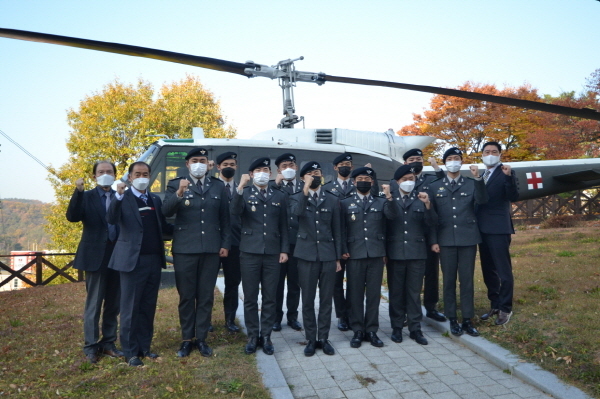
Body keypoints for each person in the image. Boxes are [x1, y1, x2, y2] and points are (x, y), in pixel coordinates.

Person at [162, 147, 231, 358]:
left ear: (207, 163)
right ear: (187, 164)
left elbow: (225, 220)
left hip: (210, 248)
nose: (199, 163)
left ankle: (201, 338)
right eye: (195, 160)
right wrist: (179, 193)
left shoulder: (218, 186)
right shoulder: (176, 184)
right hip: (185, 248)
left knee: (205, 296)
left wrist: (225, 244)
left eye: (202, 160)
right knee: (186, 296)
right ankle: (186, 339)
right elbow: (166, 211)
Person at [107, 161, 172, 367]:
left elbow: (163, 226)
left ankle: (145, 347)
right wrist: (117, 195)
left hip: (153, 260)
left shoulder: (154, 199)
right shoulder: (122, 197)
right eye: (138, 174)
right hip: (131, 261)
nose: (142, 177)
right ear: (130, 176)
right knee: (130, 308)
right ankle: (130, 352)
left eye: (145, 173)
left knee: (147, 306)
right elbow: (111, 218)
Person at [231, 157, 289, 355]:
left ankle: (266, 336)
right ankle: (252, 336)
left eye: (265, 169)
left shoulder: (279, 195)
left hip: (273, 253)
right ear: (252, 174)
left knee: (270, 297)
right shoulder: (244, 193)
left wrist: (284, 250)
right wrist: (239, 187)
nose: (262, 173)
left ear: (271, 174)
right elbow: (234, 212)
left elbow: (284, 226)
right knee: (250, 297)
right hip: (249, 252)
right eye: (258, 170)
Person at [66, 160, 122, 363]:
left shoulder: (120, 196)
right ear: (94, 176)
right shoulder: (87, 196)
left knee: (113, 304)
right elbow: (72, 216)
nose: (105, 174)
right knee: (94, 304)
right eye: (101, 171)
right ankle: (90, 346)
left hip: (117, 255)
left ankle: (108, 343)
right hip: (94, 256)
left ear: (115, 175)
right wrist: (78, 191)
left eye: (109, 171)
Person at [429, 148, 488, 337]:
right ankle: (452, 318)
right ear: (444, 162)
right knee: (448, 281)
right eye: (450, 159)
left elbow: (483, 200)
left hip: (467, 238)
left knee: (467, 280)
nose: (453, 161)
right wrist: (434, 240)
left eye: (457, 159)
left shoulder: (471, 183)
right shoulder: (434, 185)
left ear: (461, 162)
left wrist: (478, 179)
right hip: (445, 239)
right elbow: (431, 217)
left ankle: (468, 319)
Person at [340, 167, 398, 348]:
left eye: (367, 178)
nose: (363, 180)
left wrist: (389, 197)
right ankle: (357, 330)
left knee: (373, 294)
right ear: (354, 182)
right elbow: (341, 228)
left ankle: (372, 330)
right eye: (360, 178)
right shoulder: (344, 202)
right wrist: (343, 249)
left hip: (376, 253)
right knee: (355, 293)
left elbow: (391, 218)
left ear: (372, 183)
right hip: (354, 253)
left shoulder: (381, 201)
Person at [290, 161, 342, 356]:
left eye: (318, 172)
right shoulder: (296, 197)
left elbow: (338, 229)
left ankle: (324, 338)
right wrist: (304, 190)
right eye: (310, 173)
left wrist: (337, 258)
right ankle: (311, 339)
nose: (315, 175)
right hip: (306, 255)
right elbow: (297, 213)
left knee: (326, 299)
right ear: (303, 177)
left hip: (328, 254)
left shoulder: (331, 199)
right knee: (308, 299)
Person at [391, 148, 447, 323]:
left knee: (431, 274)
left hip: (428, 235)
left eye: (419, 158)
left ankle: (431, 307)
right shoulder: (396, 183)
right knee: (407, 279)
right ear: (405, 163)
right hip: (405, 238)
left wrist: (434, 240)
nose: (416, 161)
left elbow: (437, 206)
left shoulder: (431, 180)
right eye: (411, 159)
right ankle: (407, 312)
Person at [386, 165, 437, 345]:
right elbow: (387, 222)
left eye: (412, 179)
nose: (409, 182)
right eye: (405, 179)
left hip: (417, 253)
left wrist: (428, 205)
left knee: (414, 293)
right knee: (397, 293)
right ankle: (397, 328)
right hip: (396, 253)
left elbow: (431, 224)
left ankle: (415, 328)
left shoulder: (420, 199)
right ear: (397, 181)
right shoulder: (390, 199)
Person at [476, 142, 519, 325]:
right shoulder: (482, 174)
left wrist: (509, 178)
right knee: (488, 269)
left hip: (498, 228)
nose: (490, 154)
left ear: (500, 154)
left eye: (494, 152)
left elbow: (514, 195)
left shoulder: (506, 172)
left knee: (503, 270)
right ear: (482, 155)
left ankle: (505, 308)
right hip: (481, 228)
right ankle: (494, 303)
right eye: (487, 152)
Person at [271, 153, 303, 332]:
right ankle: (276, 317)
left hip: (297, 243)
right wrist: (275, 184)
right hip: (278, 244)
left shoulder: (303, 186)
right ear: (278, 170)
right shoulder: (273, 187)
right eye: (284, 166)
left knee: (294, 283)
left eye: (291, 164)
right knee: (276, 284)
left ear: (296, 167)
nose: (288, 168)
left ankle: (292, 317)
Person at [215, 151, 243, 333]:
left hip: (236, 243)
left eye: (232, 165)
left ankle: (230, 319)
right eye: (225, 164)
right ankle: (206, 321)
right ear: (218, 167)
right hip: (213, 243)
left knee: (232, 283)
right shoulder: (212, 187)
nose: (229, 168)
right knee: (206, 284)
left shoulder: (242, 188)